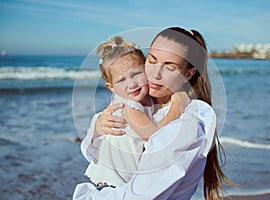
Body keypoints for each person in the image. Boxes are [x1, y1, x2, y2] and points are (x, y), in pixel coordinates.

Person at [74, 27, 232, 200]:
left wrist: (177, 107)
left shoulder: (190, 121)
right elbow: (91, 150)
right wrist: (99, 126)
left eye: (169, 67)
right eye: (152, 60)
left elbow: (141, 193)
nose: (155, 74)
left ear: (188, 74)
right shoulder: (142, 101)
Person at [84, 36, 191, 188]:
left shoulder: (146, 102)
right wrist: (177, 105)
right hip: (112, 188)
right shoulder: (128, 107)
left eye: (136, 74)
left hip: (122, 185)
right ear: (111, 87)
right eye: (121, 80)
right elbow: (156, 138)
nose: (131, 84)